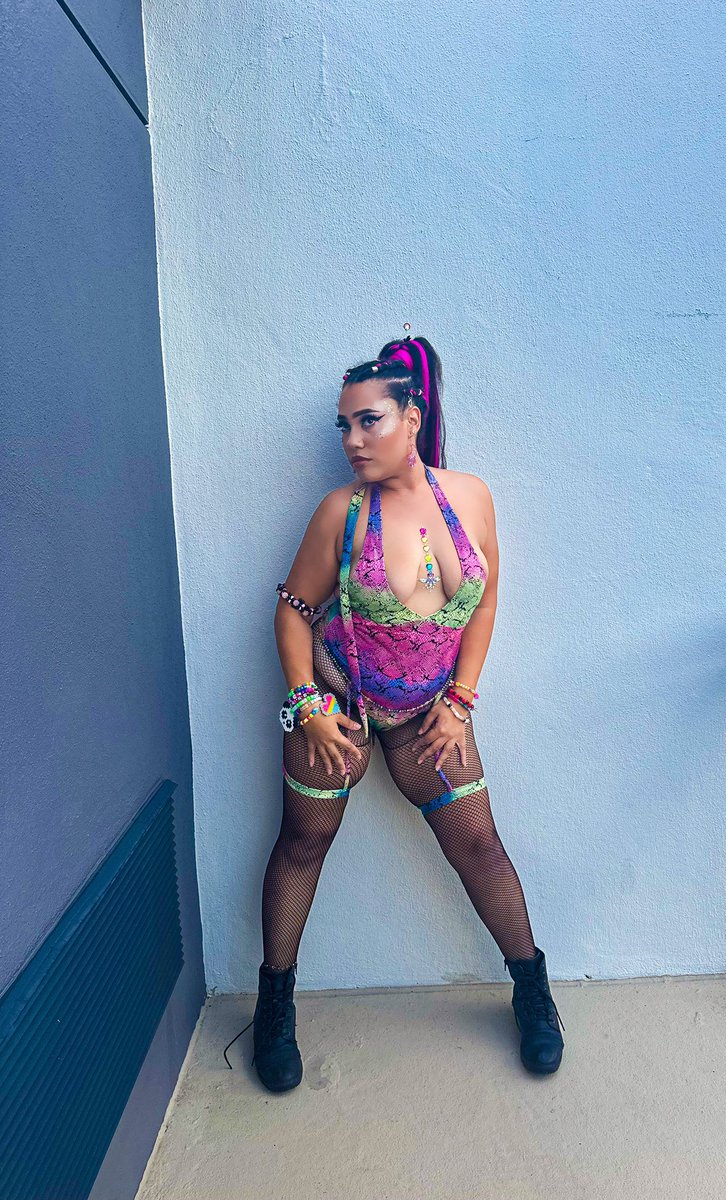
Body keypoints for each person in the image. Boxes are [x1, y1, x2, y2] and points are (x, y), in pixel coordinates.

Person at [223, 332, 564, 1090]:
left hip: (428, 713)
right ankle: (274, 1006)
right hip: (336, 703)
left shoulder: (470, 497)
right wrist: (308, 705)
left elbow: (484, 602)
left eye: (368, 420)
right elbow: (290, 610)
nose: (351, 439)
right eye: (343, 425)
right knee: (304, 842)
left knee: (478, 845)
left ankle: (534, 993)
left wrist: (461, 701)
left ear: (412, 417)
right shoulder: (340, 512)